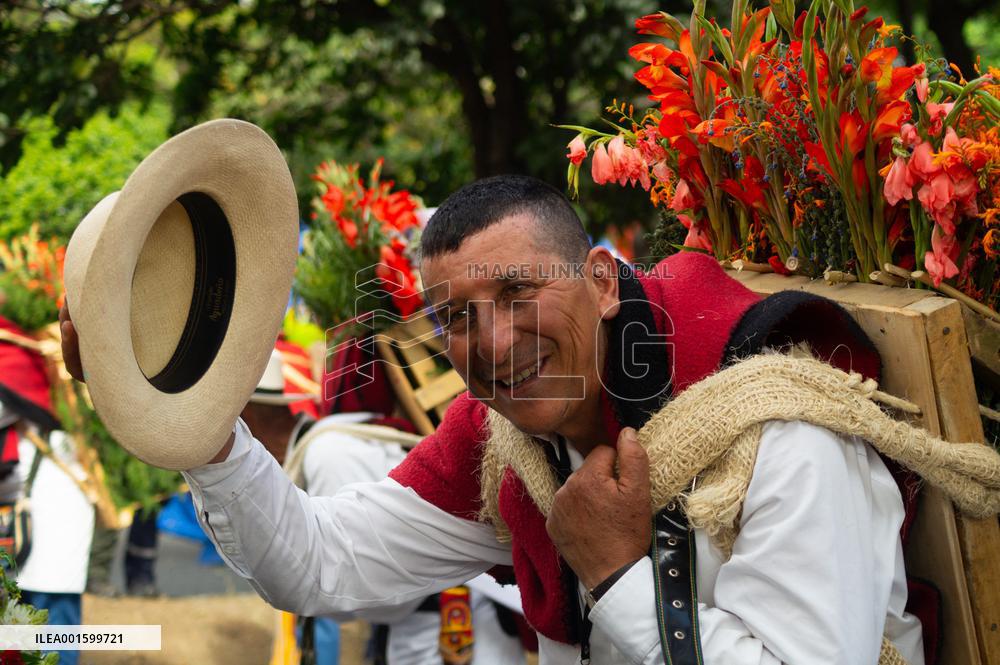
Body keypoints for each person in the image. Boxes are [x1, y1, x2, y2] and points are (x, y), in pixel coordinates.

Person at [61, 175, 925, 664]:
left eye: (517, 293)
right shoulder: (508, 446)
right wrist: (202, 426)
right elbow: (323, 564)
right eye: (455, 319)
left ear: (599, 278)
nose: (493, 341)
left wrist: (621, 574)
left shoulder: (785, 432)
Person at [247, 346, 527, 665]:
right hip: (436, 621)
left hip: (446, 630)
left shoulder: (328, 453)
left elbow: (362, 582)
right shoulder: (329, 444)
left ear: (248, 417)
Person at [0, 315, 94, 665]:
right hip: (45, 517)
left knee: (49, 634)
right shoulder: (85, 363)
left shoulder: (20, 359)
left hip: (49, 514)